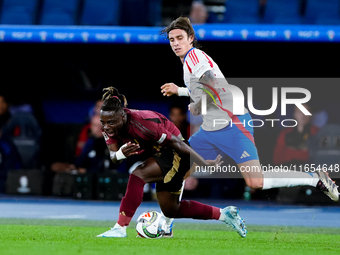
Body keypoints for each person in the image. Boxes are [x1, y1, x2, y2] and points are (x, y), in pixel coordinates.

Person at [160, 16, 339, 202]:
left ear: (190, 37)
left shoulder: (194, 56)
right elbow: (204, 87)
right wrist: (180, 90)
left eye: (180, 38)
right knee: (180, 169)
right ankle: (165, 225)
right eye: (172, 40)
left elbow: (212, 83)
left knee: (255, 181)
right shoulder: (189, 61)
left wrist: (197, 105)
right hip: (210, 129)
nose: (175, 43)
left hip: (233, 124)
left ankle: (314, 178)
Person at [96, 86, 247, 238]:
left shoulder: (143, 123)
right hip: (160, 154)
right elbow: (114, 157)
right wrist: (121, 153)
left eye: (111, 123)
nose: (106, 127)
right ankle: (224, 215)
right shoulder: (108, 125)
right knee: (171, 209)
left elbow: (177, 143)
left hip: (177, 151)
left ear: (122, 116)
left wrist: (202, 162)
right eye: (103, 122)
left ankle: (120, 228)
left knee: (138, 174)